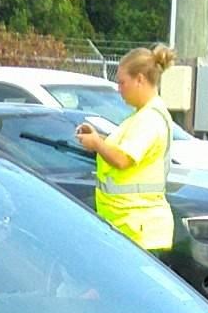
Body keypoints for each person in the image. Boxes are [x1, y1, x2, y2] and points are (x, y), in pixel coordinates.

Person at [75, 45, 176, 251]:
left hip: (138, 229)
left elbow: (123, 159)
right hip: (130, 226)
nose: (119, 89)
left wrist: (96, 143)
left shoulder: (148, 119)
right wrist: (99, 139)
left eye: (122, 82)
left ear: (139, 79)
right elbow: (125, 150)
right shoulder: (143, 115)